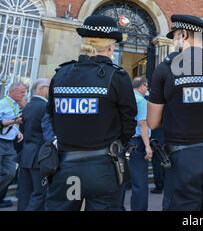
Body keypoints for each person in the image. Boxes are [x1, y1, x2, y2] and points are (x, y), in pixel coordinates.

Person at [45, 14, 137, 211]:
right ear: (111, 46)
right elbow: (129, 123)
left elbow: (52, 117)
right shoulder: (117, 76)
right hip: (103, 168)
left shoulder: (60, 75)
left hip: (67, 167)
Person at [147, 14, 203, 211]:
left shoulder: (166, 68)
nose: (173, 41)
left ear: (184, 34)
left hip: (182, 159)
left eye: (174, 36)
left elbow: (152, 122)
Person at [17, 78, 50, 211]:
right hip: (39, 157)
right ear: (42, 89)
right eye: (49, 87)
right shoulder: (45, 107)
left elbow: (24, 131)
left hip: (26, 156)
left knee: (24, 194)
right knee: (40, 193)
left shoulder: (28, 106)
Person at [128, 76, 152, 211]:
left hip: (124, 142)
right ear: (142, 86)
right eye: (146, 87)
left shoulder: (125, 98)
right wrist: (148, 146)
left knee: (122, 181)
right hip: (138, 143)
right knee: (140, 183)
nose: (147, 90)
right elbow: (142, 123)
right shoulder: (141, 101)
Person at [0, 82, 25, 208]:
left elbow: (12, 123)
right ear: (13, 91)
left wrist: (18, 131)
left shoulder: (15, 105)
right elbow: (3, 122)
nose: (24, 94)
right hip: (1, 141)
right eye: (22, 92)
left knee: (10, 173)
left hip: (9, 143)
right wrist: (15, 121)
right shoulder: (2, 104)